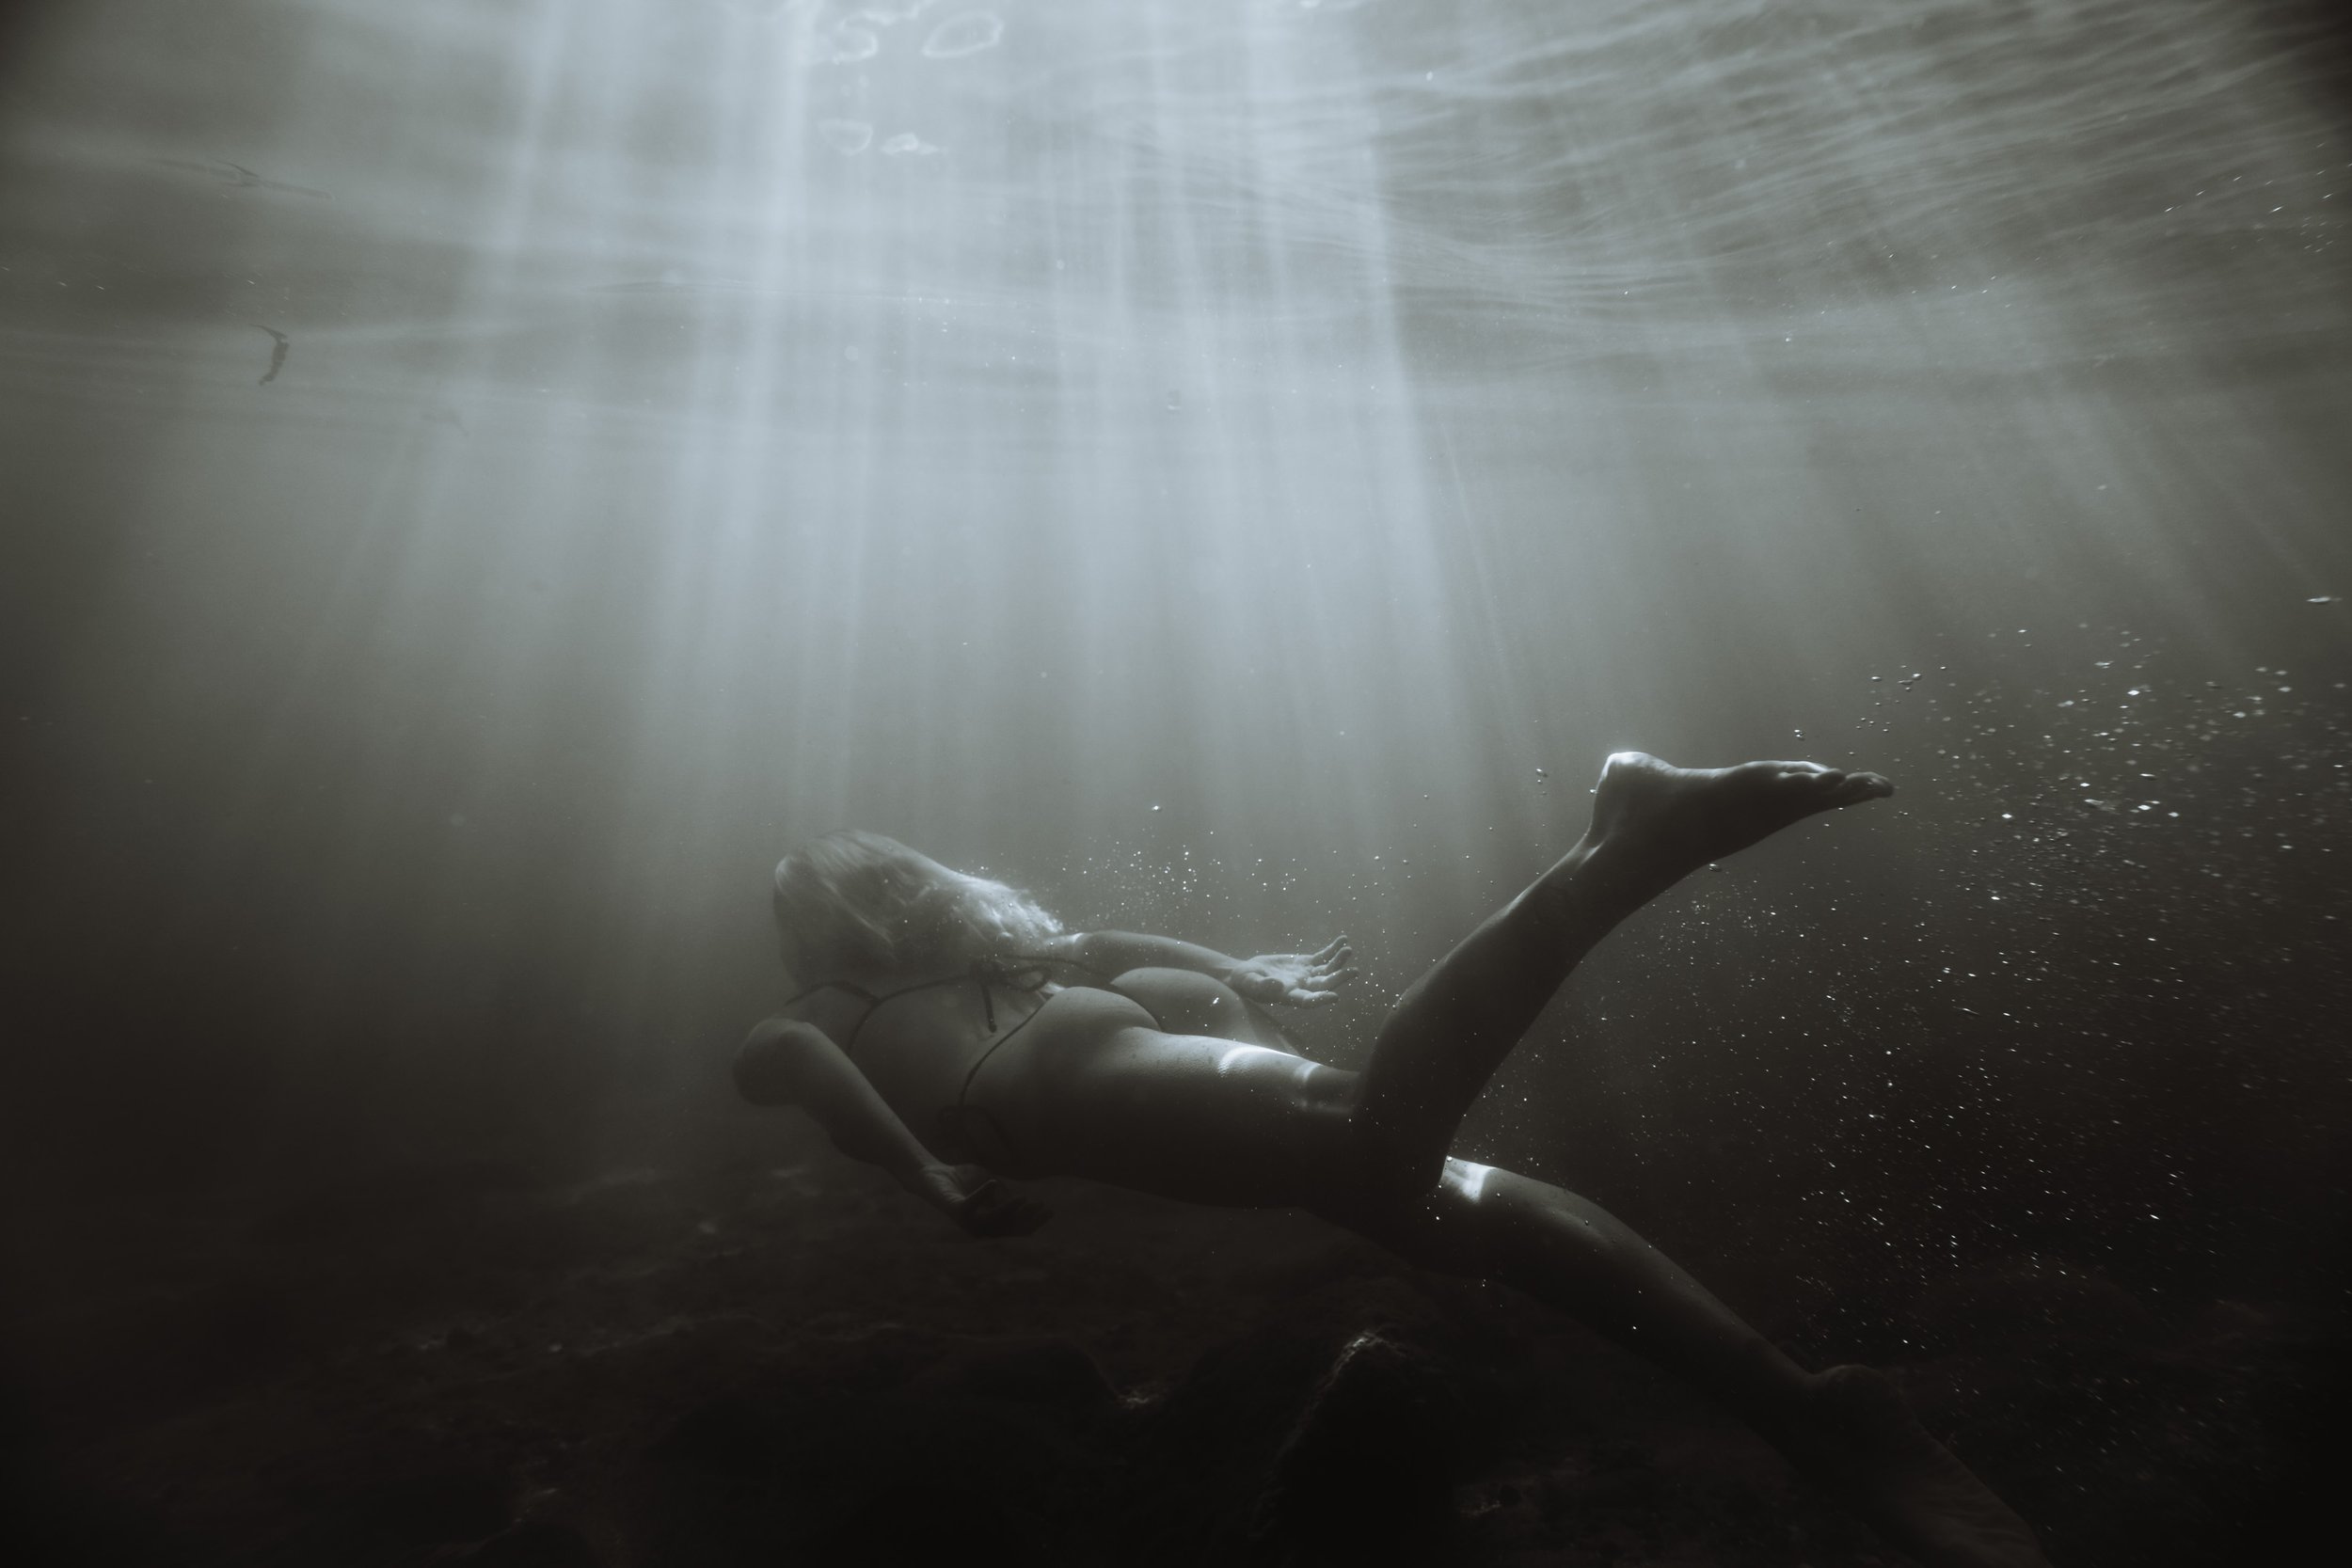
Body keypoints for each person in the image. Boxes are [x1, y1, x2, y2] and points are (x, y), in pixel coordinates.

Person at [735, 752, 2049, 1568]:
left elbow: (802, 1074)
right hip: (1093, 1064)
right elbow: (1096, 948)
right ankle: (1806, 1407)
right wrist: (1233, 970)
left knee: (1375, 1133)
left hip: (1063, 1089)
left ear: (816, 925)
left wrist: (932, 1180)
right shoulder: (974, 960)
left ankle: (1625, 853)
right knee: (1437, 1207)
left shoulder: (811, 1018)